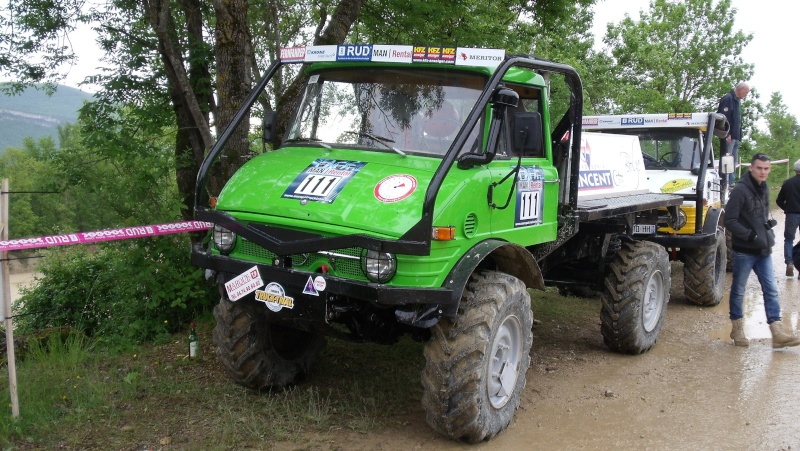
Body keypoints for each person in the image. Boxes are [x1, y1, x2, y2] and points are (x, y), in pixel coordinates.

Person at [724, 153, 800, 348]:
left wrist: (768, 231)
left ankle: (777, 333)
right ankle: (737, 328)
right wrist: (750, 235)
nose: (763, 172)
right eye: (759, 168)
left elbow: (762, 215)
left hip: (763, 250)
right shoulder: (740, 190)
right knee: (739, 291)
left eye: (766, 169)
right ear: (751, 168)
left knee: (771, 290)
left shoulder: (764, 188)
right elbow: (729, 220)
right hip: (744, 251)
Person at [716, 82, 750, 184]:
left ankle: (731, 182)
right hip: (728, 136)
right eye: (746, 91)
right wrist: (727, 133)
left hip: (735, 136)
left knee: (733, 161)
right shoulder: (728, 99)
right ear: (740, 89)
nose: (746, 94)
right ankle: (725, 183)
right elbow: (723, 118)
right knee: (727, 160)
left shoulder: (737, 101)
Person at [775, 159, 800, 277]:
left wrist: (786, 208)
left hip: (792, 214)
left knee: (789, 239)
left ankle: (789, 262)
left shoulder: (788, 183)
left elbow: (779, 200)